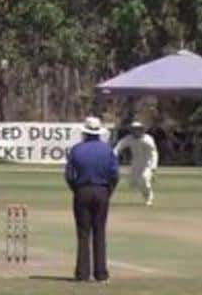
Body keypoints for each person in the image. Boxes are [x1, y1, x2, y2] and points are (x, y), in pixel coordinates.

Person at [65, 116, 119, 283]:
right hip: (102, 190)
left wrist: (77, 189)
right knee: (99, 232)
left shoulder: (76, 150)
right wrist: (108, 191)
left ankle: (82, 274)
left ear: (85, 133)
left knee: (83, 233)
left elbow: (69, 175)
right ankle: (101, 274)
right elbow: (114, 175)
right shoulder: (107, 150)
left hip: (82, 190)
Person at [114, 121, 159, 206]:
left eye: (138, 129)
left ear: (142, 130)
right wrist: (113, 154)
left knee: (144, 179)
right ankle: (146, 196)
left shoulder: (147, 139)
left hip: (147, 163)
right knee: (136, 183)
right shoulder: (129, 138)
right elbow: (119, 146)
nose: (136, 131)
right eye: (134, 129)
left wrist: (153, 167)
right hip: (135, 163)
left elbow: (154, 153)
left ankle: (149, 197)